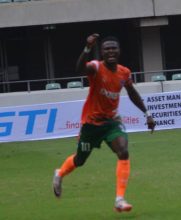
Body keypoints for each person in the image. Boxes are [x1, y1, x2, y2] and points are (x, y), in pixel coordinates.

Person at [52, 33, 156, 212]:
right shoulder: (96, 67)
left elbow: (132, 93)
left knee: (123, 151)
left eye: (113, 48)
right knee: (80, 160)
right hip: (91, 125)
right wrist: (86, 48)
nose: (111, 51)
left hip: (111, 123)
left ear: (119, 51)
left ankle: (119, 199)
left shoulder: (124, 72)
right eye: (107, 49)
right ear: (101, 52)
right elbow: (79, 69)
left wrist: (147, 113)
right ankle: (59, 174)